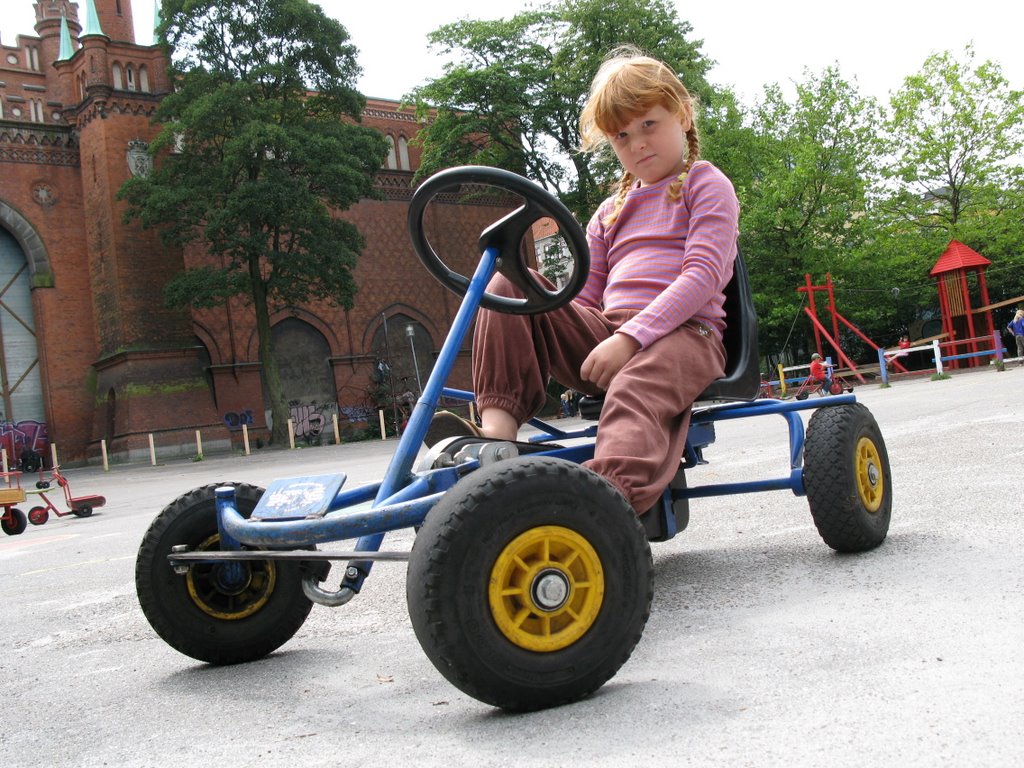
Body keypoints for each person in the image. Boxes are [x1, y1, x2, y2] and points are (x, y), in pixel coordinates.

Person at [427, 46, 739, 516]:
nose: (637, 144)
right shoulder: (610, 211)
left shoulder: (705, 184)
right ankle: (495, 443)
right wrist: (590, 328)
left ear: (682, 113)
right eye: (621, 136)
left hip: (686, 336)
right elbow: (582, 298)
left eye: (648, 125)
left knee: (636, 385)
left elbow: (703, 276)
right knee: (510, 286)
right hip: (609, 334)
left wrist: (632, 339)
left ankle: (603, 505)